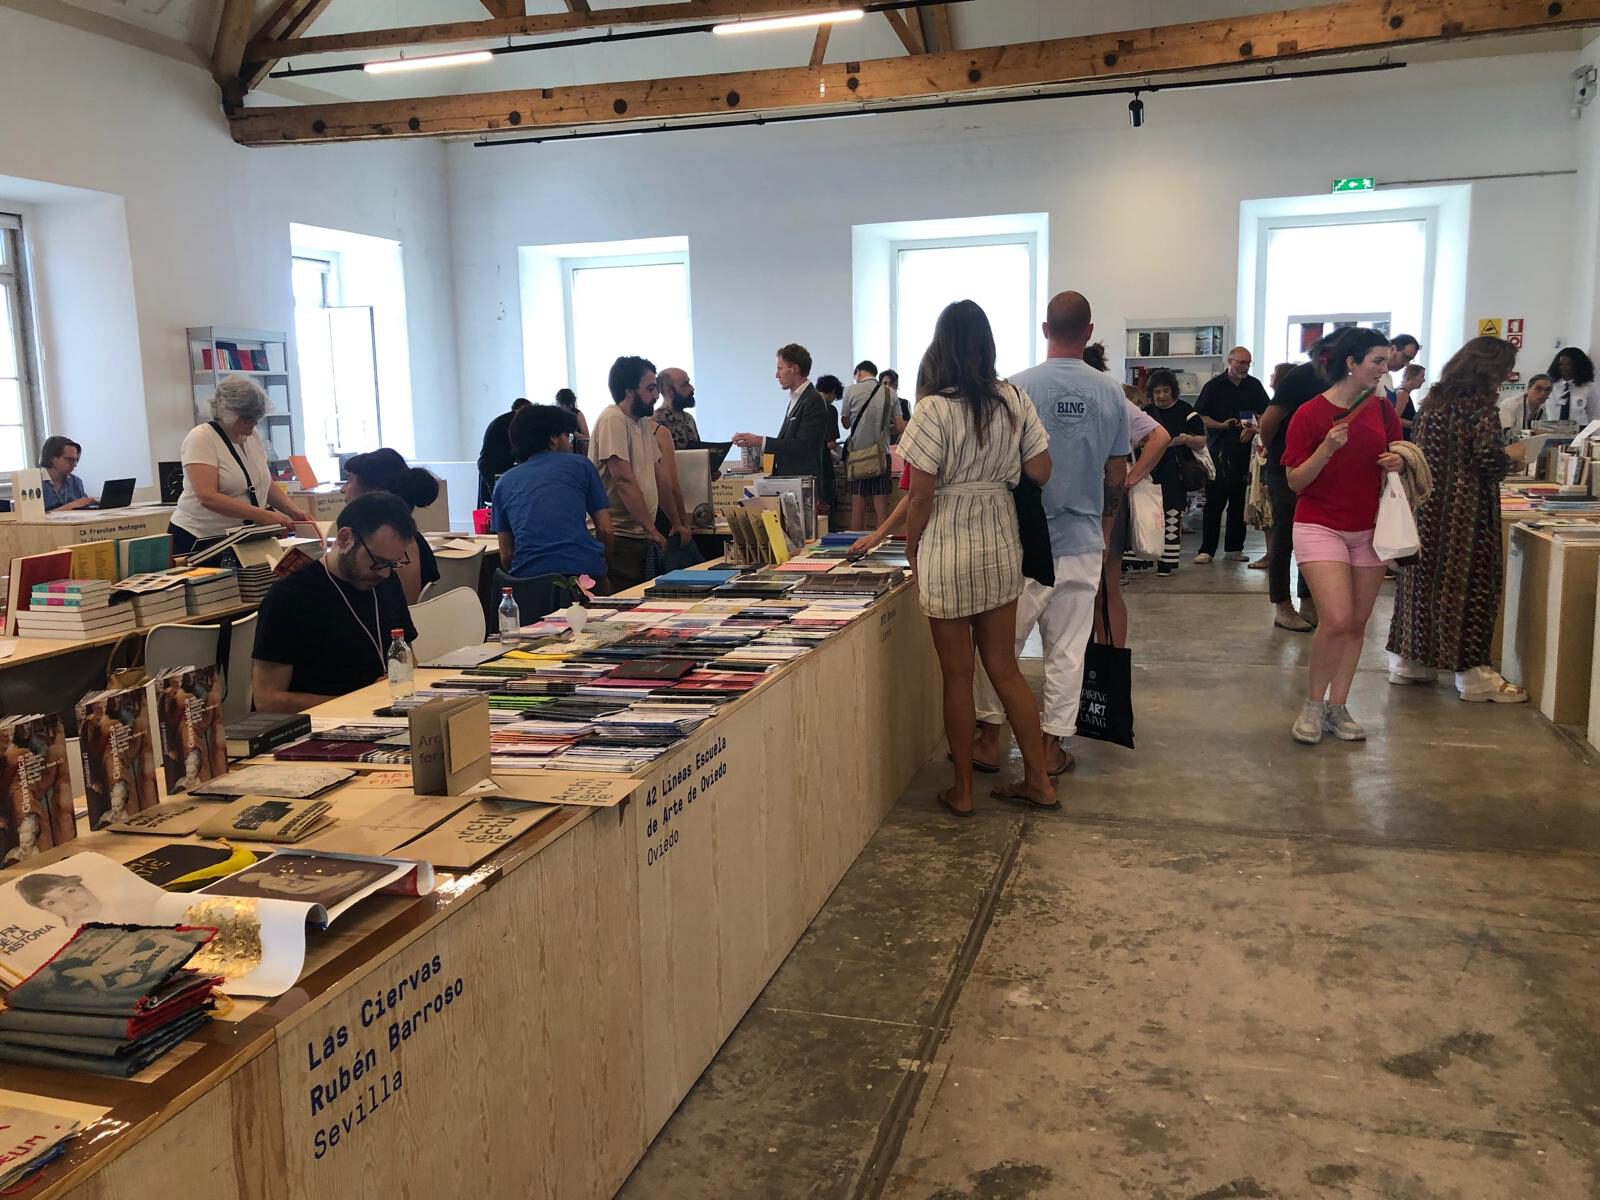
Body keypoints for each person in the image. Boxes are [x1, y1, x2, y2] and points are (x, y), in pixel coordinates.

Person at [900, 300, 1056, 817]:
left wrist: (910, 543)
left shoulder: (932, 409)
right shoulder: (1013, 399)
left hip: (947, 542)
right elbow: (1041, 470)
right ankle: (1039, 781)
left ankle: (963, 791)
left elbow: (920, 494)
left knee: (956, 675)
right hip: (1000, 540)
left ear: (940, 345)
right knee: (1005, 669)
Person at [971, 292, 1128, 777]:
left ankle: (989, 737)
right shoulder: (1111, 393)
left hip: (1020, 544)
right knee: (1068, 651)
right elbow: (1116, 474)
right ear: (1088, 332)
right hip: (1083, 540)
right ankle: (1052, 746)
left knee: (998, 647)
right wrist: (1104, 532)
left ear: (1045, 330)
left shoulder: (1014, 390)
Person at [1387, 337, 1530, 703]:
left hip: (1428, 507)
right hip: (1466, 515)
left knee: (1421, 585)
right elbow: (1487, 460)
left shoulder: (1433, 402)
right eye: (1504, 369)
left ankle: (1409, 662)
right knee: (1471, 588)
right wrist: (1514, 455)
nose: (1506, 376)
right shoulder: (1479, 408)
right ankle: (1473, 676)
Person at [1280, 326, 1404, 745]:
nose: (1384, 368)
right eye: (1377, 361)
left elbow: (1400, 452)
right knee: (1334, 618)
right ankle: (1313, 705)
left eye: (1386, 361)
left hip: (1370, 527)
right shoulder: (1309, 414)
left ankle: (1339, 706)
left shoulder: (1383, 410)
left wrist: (1398, 461)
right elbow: (1295, 480)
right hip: (1319, 524)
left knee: (1356, 623)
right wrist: (1326, 449)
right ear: (1351, 363)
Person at [251, 492, 419, 714]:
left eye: (393, 563)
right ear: (345, 539)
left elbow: (410, 660)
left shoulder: (386, 582)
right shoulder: (290, 596)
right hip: (325, 721)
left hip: (384, 712)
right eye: (377, 561)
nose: (385, 573)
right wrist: (363, 700)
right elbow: (267, 700)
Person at [1082, 343, 1169, 643]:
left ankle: (1097, 660)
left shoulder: (1111, 398)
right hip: (1109, 498)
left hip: (1101, 500)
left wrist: (1131, 478)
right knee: (1106, 589)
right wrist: (1131, 477)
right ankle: (1107, 661)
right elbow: (1159, 437)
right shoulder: (1114, 397)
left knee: (1096, 591)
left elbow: (1160, 437)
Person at [170, 376, 310, 556]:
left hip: (241, 535)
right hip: (200, 538)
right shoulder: (201, 437)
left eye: (257, 418)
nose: (254, 424)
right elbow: (207, 497)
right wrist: (264, 515)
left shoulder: (252, 437)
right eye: (248, 419)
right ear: (227, 413)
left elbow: (264, 484)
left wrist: (294, 511)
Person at [493, 404, 613, 586]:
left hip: (528, 581)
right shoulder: (581, 465)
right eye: (568, 436)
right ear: (553, 439)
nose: (570, 444)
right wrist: (603, 568)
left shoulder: (503, 483)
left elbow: (507, 555)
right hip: (583, 575)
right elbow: (605, 530)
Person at [590, 355, 675, 591]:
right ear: (629, 391)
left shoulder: (642, 422)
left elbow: (658, 474)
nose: (656, 395)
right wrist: (652, 530)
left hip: (639, 534)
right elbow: (623, 480)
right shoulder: (612, 419)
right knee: (625, 603)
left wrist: (677, 522)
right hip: (619, 535)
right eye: (650, 388)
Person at [1257, 352, 1327, 628]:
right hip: (1286, 463)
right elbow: (1268, 422)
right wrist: (1276, 450)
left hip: (1318, 465)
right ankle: (1282, 605)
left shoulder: (1343, 379)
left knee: (1311, 534)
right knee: (1285, 534)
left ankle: (1307, 600)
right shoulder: (1302, 376)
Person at [1193, 347, 1269, 563]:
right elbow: (1200, 415)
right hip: (1219, 449)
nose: (1245, 367)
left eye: (1248, 363)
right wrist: (1221, 425)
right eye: (1241, 362)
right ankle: (1207, 550)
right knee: (1214, 501)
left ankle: (1234, 549)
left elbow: (1266, 412)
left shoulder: (1254, 385)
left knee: (1238, 501)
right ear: (1230, 361)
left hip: (1245, 451)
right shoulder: (1213, 386)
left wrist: (1253, 427)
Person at [341, 448, 440, 605]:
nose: (342, 489)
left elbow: (402, 608)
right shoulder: (405, 538)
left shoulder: (397, 545)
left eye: (349, 480)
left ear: (374, 491)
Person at [731, 344, 831, 480]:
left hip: (803, 480)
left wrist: (760, 441)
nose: (777, 375)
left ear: (794, 369)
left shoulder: (812, 399)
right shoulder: (798, 399)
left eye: (780, 368)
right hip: (792, 480)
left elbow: (804, 446)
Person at [1143, 369, 1205, 576]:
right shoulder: (1146, 412)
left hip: (1175, 471)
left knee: (1172, 514)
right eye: (1157, 392)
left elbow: (1201, 440)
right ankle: (1143, 558)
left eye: (1165, 391)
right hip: (1149, 470)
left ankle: (1167, 562)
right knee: (1146, 514)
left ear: (1173, 391)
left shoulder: (1186, 410)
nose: (1161, 396)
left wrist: (1186, 439)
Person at [841, 359, 904, 532]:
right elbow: (900, 427)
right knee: (881, 507)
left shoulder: (850, 390)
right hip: (880, 455)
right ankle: (880, 545)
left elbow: (845, 423)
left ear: (859, 372)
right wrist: (885, 429)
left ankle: (856, 545)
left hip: (857, 457)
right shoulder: (890, 393)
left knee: (857, 506)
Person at [477, 397, 531, 504]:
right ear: (519, 409)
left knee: (493, 500)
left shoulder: (503, 420)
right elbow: (518, 445)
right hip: (494, 466)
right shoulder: (513, 422)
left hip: (487, 464)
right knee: (498, 500)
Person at [38, 437, 96, 511]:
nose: (75, 465)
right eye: (70, 460)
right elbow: (32, 516)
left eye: (76, 460)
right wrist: (71, 506)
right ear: (52, 458)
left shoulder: (76, 481)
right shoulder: (34, 482)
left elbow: (84, 507)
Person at [654, 369, 701, 449]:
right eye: (685, 384)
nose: (692, 389)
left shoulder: (689, 418)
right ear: (668, 391)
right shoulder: (654, 421)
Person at [1546, 347, 1595, 424]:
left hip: (1580, 430)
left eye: (1568, 364)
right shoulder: (1550, 386)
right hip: (1552, 429)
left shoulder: (1589, 388)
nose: (1564, 368)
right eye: (1561, 364)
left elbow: (1594, 415)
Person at [554, 389, 590, 454]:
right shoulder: (558, 415)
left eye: (562, 405)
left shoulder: (578, 415)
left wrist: (573, 432)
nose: (560, 407)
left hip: (577, 450)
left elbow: (587, 438)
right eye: (559, 404)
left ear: (570, 405)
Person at [1395, 363, 1427, 435]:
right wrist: (1416, 424)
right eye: (1422, 376)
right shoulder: (1402, 394)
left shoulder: (1403, 393)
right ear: (1412, 376)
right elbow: (1395, 419)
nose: (1424, 380)